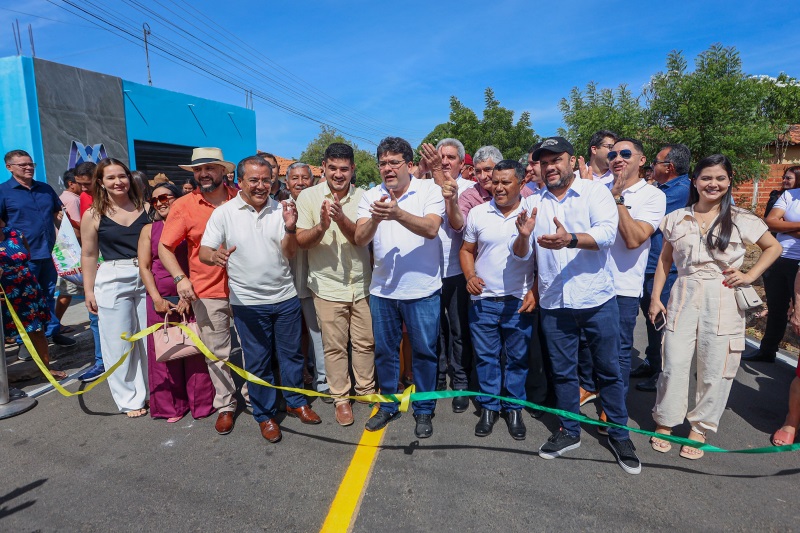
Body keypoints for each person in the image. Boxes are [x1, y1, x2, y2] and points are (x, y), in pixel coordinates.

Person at [511, 136, 640, 474]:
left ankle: (619, 433)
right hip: (555, 303)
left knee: (609, 370)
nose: (550, 166)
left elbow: (607, 235)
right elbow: (524, 255)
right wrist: (523, 236)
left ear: (572, 161)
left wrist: (570, 239)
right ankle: (569, 431)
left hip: (596, 299)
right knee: (563, 372)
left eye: (556, 160)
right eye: (544, 161)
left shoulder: (595, 192)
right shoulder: (534, 203)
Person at [648, 154, 781, 459]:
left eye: (720, 178)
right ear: (695, 180)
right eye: (706, 177)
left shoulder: (741, 218)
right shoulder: (675, 218)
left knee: (716, 368)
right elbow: (665, 261)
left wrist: (749, 275)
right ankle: (665, 422)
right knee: (673, 363)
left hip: (723, 297)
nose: (713, 184)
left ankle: (700, 428)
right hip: (683, 293)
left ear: (729, 181)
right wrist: (656, 297)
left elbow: (773, 247)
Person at [200, 155, 322, 443]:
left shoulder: (282, 210)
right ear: (239, 181)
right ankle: (265, 415)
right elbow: (205, 251)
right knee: (258, 362)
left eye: (266, 180)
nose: (260, 185)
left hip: (285, 297)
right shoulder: (224, 213)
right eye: (253, 180)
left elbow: (290, 253)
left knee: (292, 356)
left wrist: (291, 227)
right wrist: (215, 256)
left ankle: (296, 402)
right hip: (247, 304)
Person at [355, 136, 445, 438]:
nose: (387, 168)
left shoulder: (429, 190)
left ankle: (423, 410)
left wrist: (397, 213)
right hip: (383, 292)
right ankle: (388, 405)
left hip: (422, 291)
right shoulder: (370, 196)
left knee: (424, 353)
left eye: (394, 162)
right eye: (382, 163)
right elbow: (360, 237)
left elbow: (432, 228)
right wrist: (378, 219)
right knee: (385, 352)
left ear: (409, 165)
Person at [160, 147, 241, 435]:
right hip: (207, 289)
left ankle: (258, 400)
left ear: (223, 171)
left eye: (209, 168)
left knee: (254, 349)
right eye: (197, 170)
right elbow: (165, 247)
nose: (203, 174)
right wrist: (180, 278)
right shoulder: (183, 205)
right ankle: (226, 406)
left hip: (249, 288)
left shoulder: (242, 197)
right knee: (217, 353)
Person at [296, 144, 376, 427]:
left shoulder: (366, 196)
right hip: (327, 286)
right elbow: (300, 241)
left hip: (361, 283)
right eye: (333, 168)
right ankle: (341, 398)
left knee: (365, 343)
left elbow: (362, 240)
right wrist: (321, 226)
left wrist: (341, 220)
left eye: (344, 169)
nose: (338, 174)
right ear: (323, 168)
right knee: (334, 347)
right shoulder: (308, 197)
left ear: (353, 169)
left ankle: (366, 391)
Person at [461, 160, 535, 440]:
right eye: (495, 182)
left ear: (520, 183)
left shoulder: (531, 214)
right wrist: (469, 275)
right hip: (484, 302)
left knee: (517, 359)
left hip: (518, 302)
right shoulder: (479, 213)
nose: (499, 187)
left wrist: (535, 292)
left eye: (506, 182)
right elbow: (467, 250)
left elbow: (543, 262)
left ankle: (514, 408)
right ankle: (489, 407)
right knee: (486, 358)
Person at [138, 182, 215, 422]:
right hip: (162, 302)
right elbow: (145, 267)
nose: (161, 202)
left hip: (193, 296)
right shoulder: (148, 230)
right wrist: (156, 299)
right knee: (166, 352)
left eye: (166, 197)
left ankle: (201, 403)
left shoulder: (191, 224)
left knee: (195, 355)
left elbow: (200, 261)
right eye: (155, 200)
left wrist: (191, 295)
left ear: (177, 198)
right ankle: (171, 407)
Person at [602, 138, 666, 427]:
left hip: (622, 287)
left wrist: (617, 199)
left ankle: (614, 409)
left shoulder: (652, 196)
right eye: (613, 153)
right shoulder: (598, 189)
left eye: (625, 153)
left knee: (618, 351)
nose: (618, 158)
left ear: (642, 160)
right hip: (590, 284)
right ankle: (592, 392)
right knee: (589, 347)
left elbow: (633, 239)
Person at [81, 158, 149, 417]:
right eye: (111, 178)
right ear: (101, 182)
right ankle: (130, 399)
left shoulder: (146, 207)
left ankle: (155, 392)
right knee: (117, 341)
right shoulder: (93, 214)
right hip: (111, 276)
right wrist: (89, 290)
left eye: (122, 176)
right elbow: (88, 254)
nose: (118, 182)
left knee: (148, 340)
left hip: (146, 275)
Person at [632, 144, 692, 392]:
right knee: (652, 318)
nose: (651, 167)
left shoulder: (680, 191)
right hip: (650, 264)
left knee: (662, 321)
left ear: (669, 167)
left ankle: (663, 373)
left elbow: (645, 218)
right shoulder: (663, 189)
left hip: (665, 267)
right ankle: (652, 361)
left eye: (654, 163)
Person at [420, 138, 474, 411]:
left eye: (451, 157)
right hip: (427, 270)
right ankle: (439, 377)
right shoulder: (423, 186)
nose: (444, 162)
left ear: (462, 162)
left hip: (455, 271)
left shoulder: (468, 188)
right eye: (440, 157)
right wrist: (423, 172)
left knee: (458, 329)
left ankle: (461, 381)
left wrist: (437, 175)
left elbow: (458, 225)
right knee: (433, 330)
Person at [1, 150, 75, 347]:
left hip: (48, 252)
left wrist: (61, 218)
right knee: (25, 302)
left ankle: (51, 332)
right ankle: (24, 343)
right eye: (22, 165)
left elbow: (57, 211)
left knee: (48, 296)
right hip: (21, 260)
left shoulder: (45, 188)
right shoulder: (3, 192)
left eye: (30, 164)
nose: (28, 167)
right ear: (9, 167)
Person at [0, 219, 67, 380]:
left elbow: (26, 255)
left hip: (27, 288)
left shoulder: (14, 233)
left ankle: (46, 369)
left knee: (36, 330)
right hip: (4, 295)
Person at [284, 162, 330, 401]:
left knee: (317, 332)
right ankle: (295, 377)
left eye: (304, 178)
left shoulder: (317, 205)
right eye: (295, 178)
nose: (300, 182)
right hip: (285, 284)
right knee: (290, 336)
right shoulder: (279, 209)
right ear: (286, 182)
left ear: (311, 181)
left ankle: (323, 379)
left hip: (314, 281)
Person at [747, 165, 800, 362]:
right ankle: (767, 350)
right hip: (779, 258)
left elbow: (779, 223)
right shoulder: (789, 195)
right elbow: (770, 222)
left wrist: (785, 225)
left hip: (798, 263)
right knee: (776, 307)